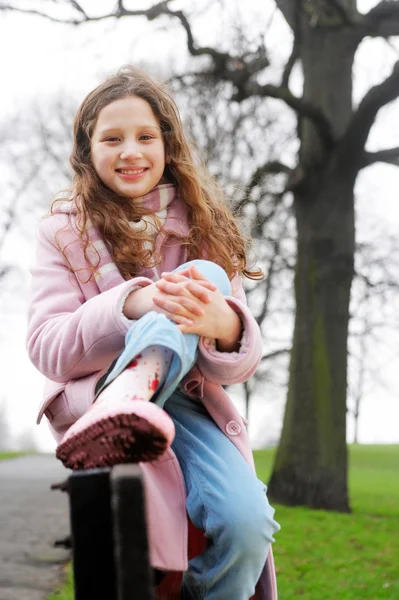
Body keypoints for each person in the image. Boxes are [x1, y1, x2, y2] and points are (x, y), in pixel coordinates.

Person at [26, 65, 280, 600]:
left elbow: (238, 365)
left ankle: (139, 395)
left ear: (168, 145)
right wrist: (133, 303)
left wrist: (225, 326)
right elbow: (47, 347)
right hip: (103, 396)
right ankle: (128, 395)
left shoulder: (203, 224)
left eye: (145, 137)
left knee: (247, 523)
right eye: (111, 138)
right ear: (86, 150)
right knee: (186, 289)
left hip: (186, 405)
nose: (130, 151)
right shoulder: (63, 233)